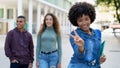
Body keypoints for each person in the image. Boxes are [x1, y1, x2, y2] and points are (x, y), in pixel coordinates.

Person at [67, 2, 106, 68]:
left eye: (86, 19)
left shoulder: (98, 33)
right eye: (80, 20)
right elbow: (79, 56)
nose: (84, 23)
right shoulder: (74, 35)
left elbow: (96, 51)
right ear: (76, 22)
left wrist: (101, 58)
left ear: (91, 18)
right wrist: (81, 46)